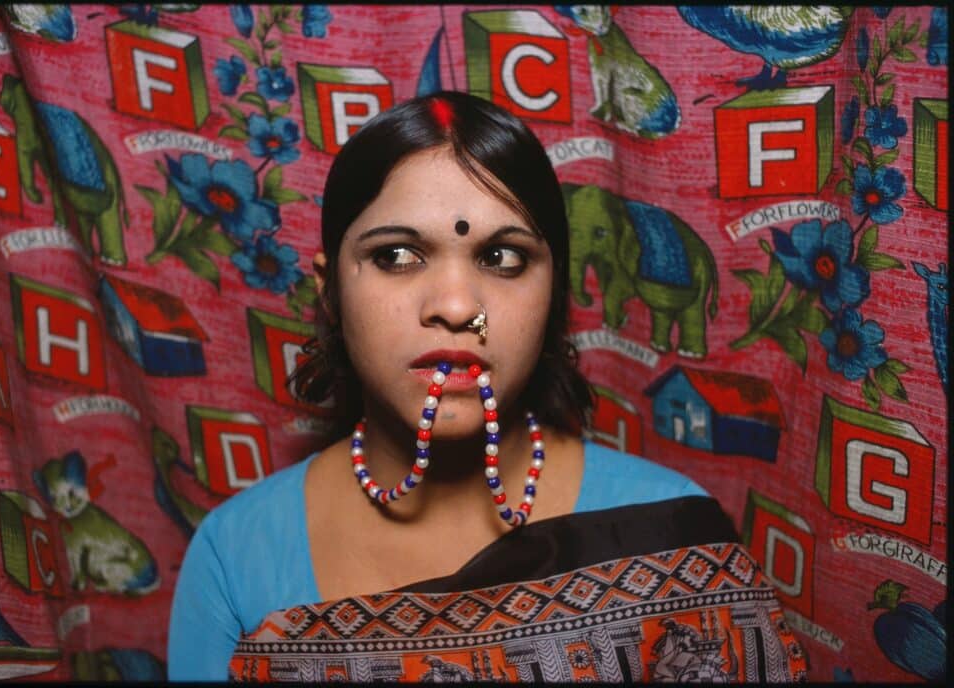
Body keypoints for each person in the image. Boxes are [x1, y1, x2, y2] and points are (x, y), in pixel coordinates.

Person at [168, 91, 806, 682]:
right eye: (396, 255)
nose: (455, 305)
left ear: (553, 292)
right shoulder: (234, 555)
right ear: (329, 291)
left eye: (503, 259)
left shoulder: (672, 537)